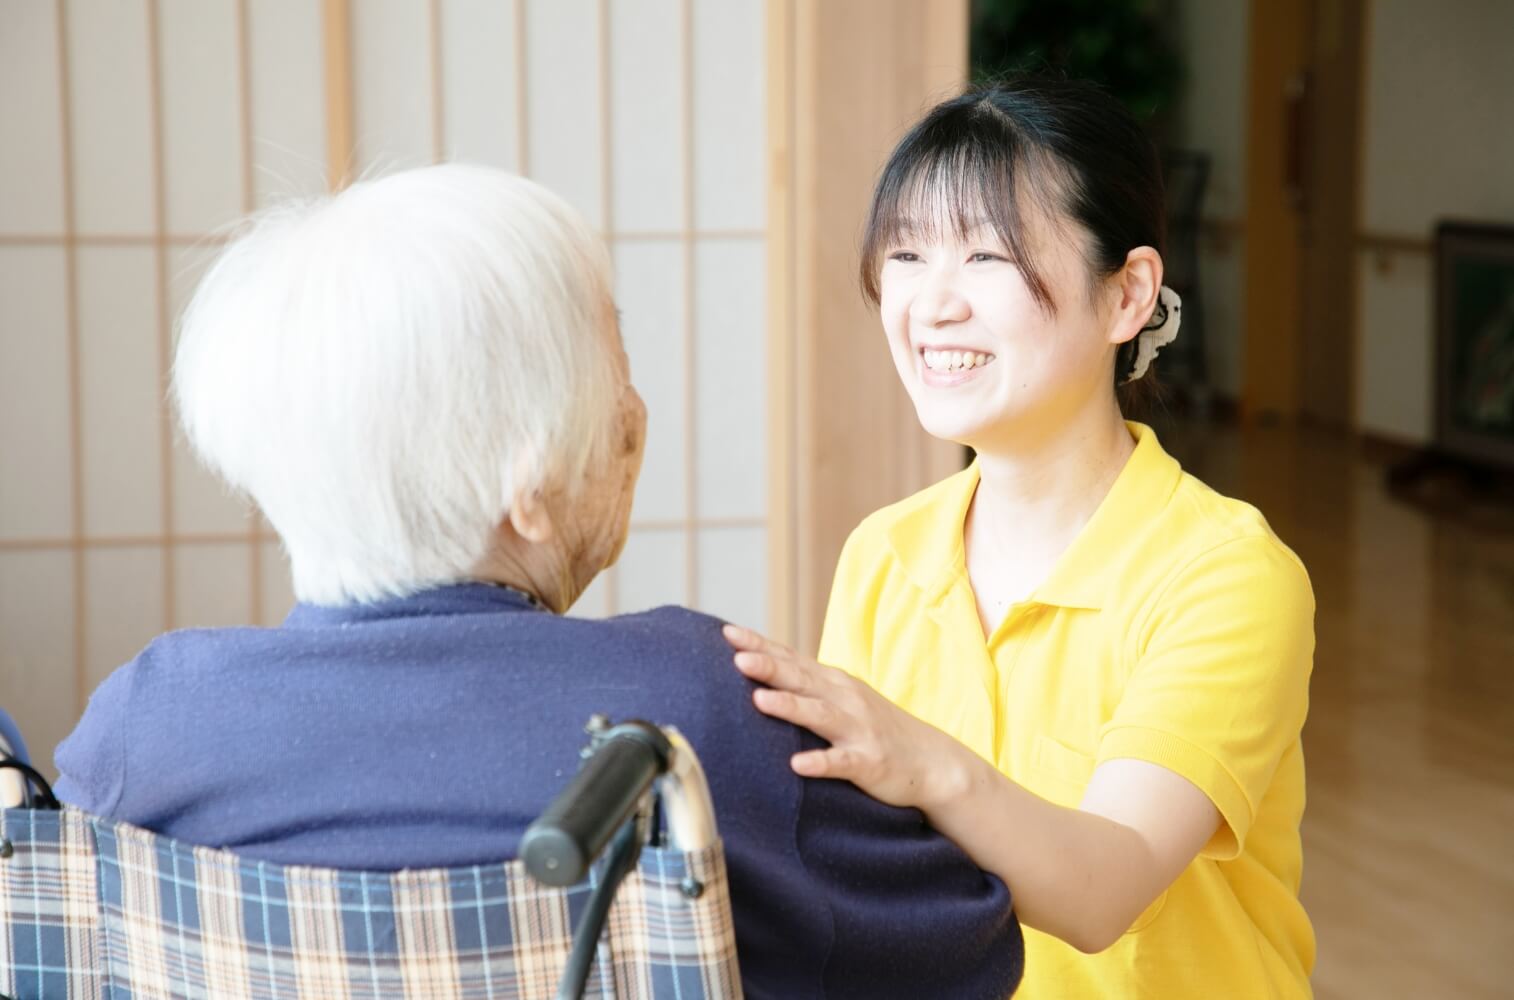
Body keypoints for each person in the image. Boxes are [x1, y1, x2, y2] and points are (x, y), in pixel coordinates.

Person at [52, 164, 1022, 999]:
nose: (635, 410)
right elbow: (965, 950)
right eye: (615, 362)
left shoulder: (145, 730)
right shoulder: (692, 719)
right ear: (528, 487)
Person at [723, 78, 1316, 998]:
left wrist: (914, 759)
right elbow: (859, 868)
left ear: (1128, 295)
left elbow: (1103, 887)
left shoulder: (1229, 575)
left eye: (988, 256)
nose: (932, 303)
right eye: (909, 253)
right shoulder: (883, 553)